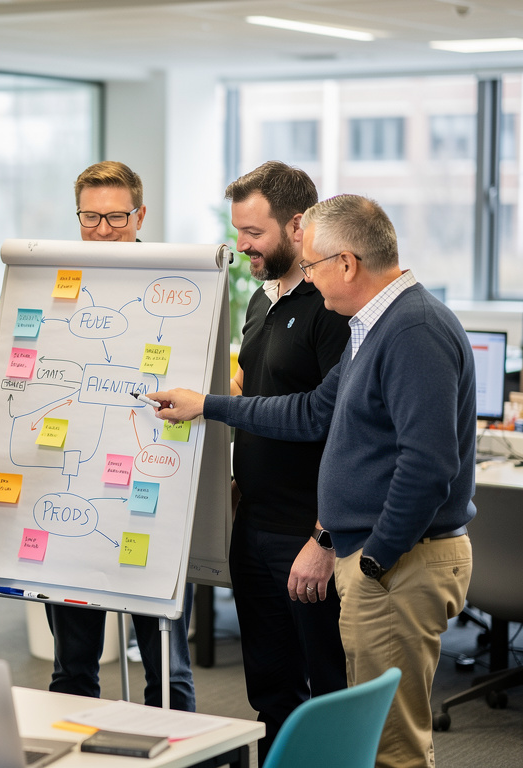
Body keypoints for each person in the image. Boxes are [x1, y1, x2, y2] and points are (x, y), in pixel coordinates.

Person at [150, 194, 474, 768]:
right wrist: (209, 406)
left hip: (398, 562)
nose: (310, 279)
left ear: (346, 264)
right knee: (360, 736)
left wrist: (375, 558)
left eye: (314, 265)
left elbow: (428, 466)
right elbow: (311, 412)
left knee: (387, 748)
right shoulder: (371, 327)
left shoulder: (412, 329)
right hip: (376, 556)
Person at [43, 160, 195, 711]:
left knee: (167, 669)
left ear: (140, 214)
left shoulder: (182, 287)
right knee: (73, 670)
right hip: (74, 495)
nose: (102, 229)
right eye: (90, 217)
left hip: (154, 495)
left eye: (115, 217)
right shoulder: (57, 284)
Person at [223, 161, 348, 759]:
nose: (241, 245)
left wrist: (323, 540)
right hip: (255, 527)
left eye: (253, 233)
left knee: (327, 693)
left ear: (298, 226)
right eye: (238, 231)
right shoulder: (258, 299)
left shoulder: (332, 308)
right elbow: (258, 395)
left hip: (308, 535)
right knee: (269, 691)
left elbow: (335, 425)